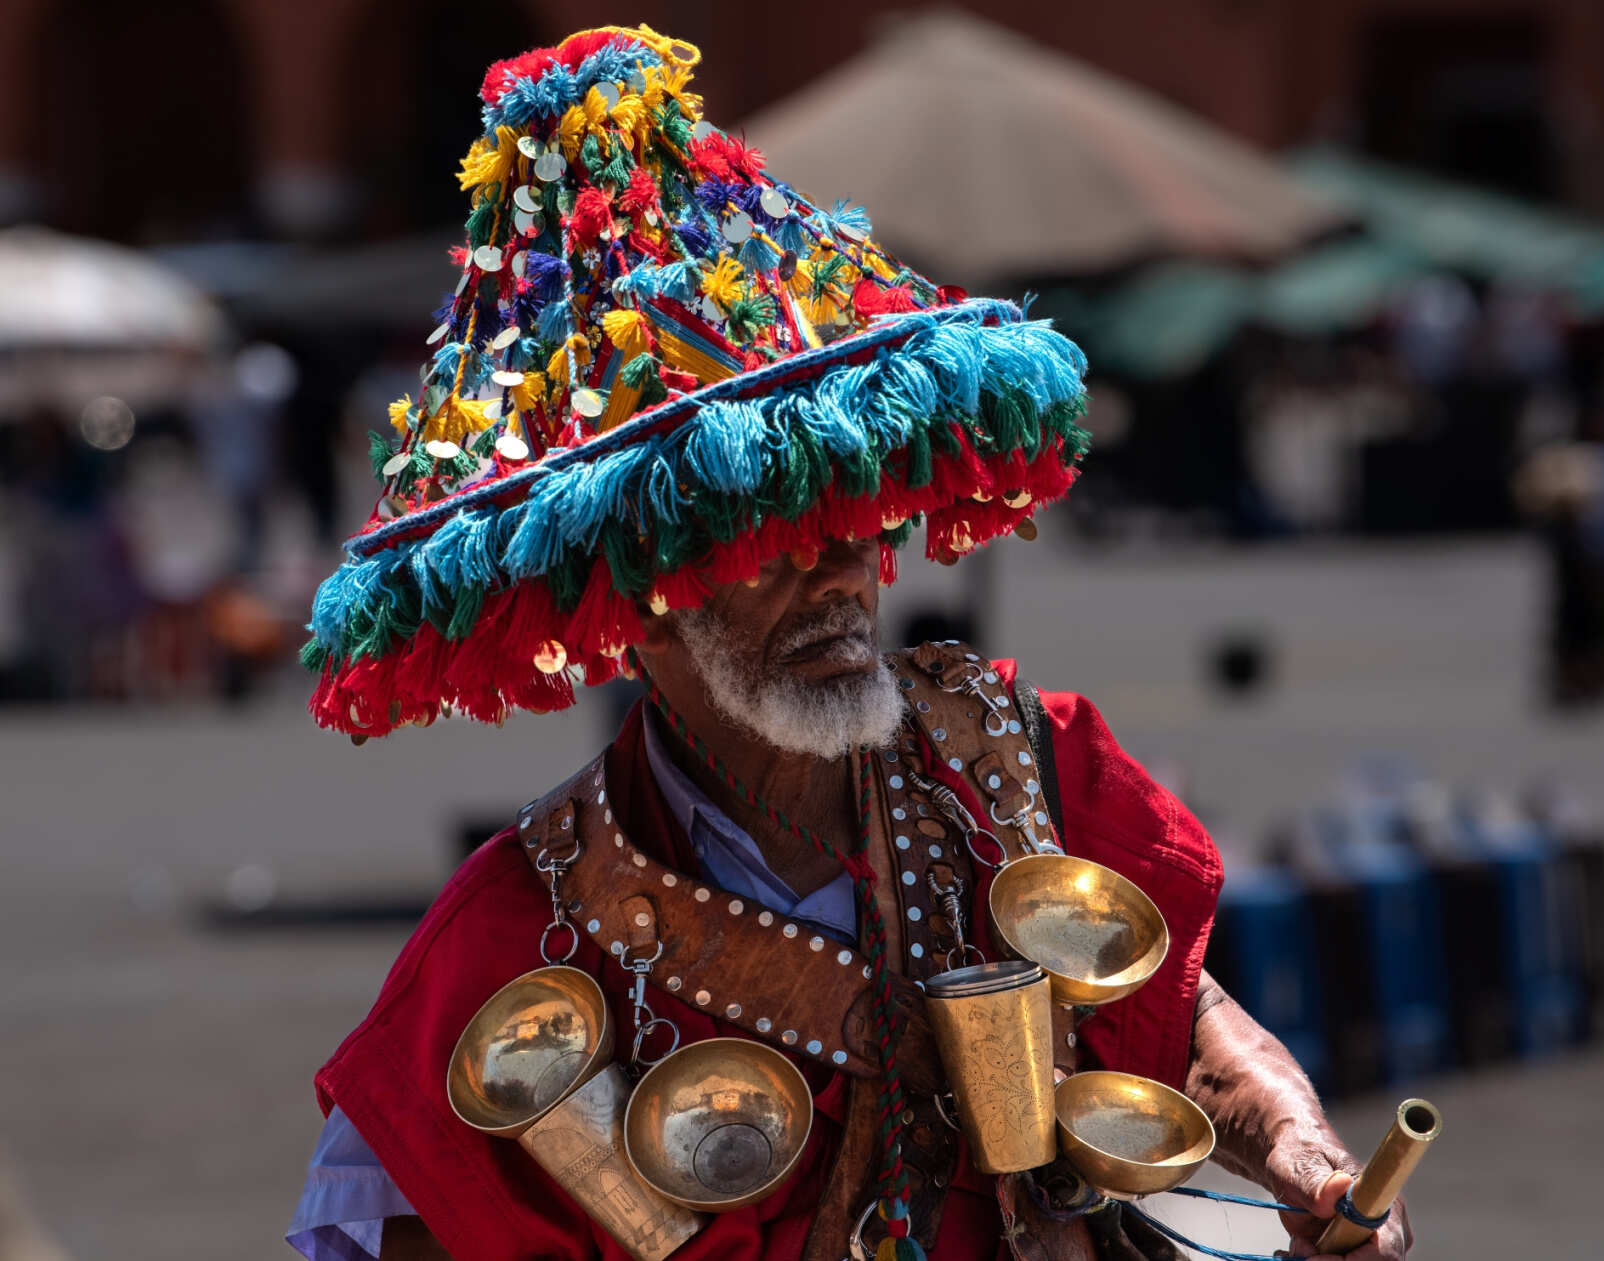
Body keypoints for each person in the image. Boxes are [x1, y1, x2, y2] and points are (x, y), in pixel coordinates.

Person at [289, 26, 1412, 1261]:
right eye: (765, 543)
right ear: (635, 604)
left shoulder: (1013, 759)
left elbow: (1181, 1016)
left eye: (844, 516)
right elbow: (383, 1217)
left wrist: (1301, 1153)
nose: (837, 570)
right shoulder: (514, 938)